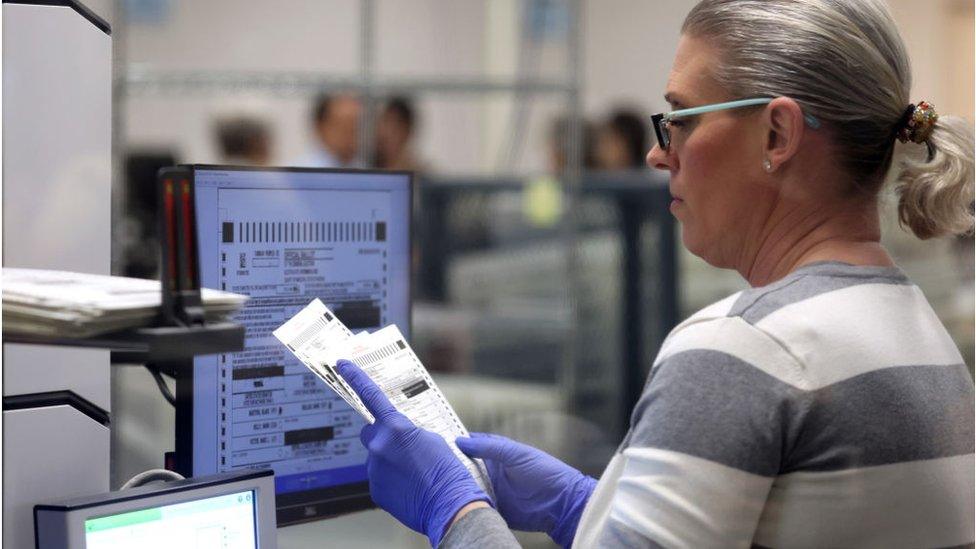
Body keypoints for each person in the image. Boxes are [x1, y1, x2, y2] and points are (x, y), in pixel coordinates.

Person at [337, 0, 976, 546]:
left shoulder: (745, 348)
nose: (655, 153)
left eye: (680, 119)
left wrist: (455, 512)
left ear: (776, 135)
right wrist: (587, 509)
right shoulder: (915, 325)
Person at [294, 92, 362, 168]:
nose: (350, 133)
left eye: (356, 126)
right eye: (342, 126)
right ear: (320, 127)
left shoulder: (366, 168)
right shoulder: (299, 172)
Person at [373, 96, 427, 173]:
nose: (384, 133)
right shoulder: (368, 167)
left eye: (394, 128)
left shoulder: (420, 173)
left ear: (407, 132)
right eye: (384, 123)